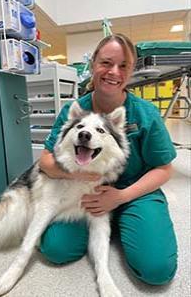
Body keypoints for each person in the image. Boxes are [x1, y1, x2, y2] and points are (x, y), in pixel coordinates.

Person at [38, 34, 178, 286]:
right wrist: (77, 174)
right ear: (93, 64)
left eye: (123, 66)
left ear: (131, 71)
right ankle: (110, 223)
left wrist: (120, 197)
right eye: (106, 63)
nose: (114, 72)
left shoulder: (145, 114)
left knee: (157, 270)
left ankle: (125, 219)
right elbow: (46, 162)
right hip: (84, 191)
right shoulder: (75, 112)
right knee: (56, 250)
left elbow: (164, 168)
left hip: (135, 191)